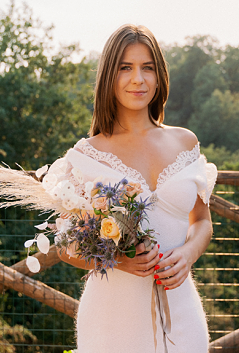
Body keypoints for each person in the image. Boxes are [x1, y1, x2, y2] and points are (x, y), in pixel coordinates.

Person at [45, 24, 217, 353]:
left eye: (147, 68)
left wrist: (187, 254)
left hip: (181, 311)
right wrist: (119, 260)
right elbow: (66, 246)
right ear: (109, 75)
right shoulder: (84, 157)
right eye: (126, 67)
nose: (138, 79)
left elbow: (202, 221)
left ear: (159, 75)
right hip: (111, 322)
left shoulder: (185, 142)